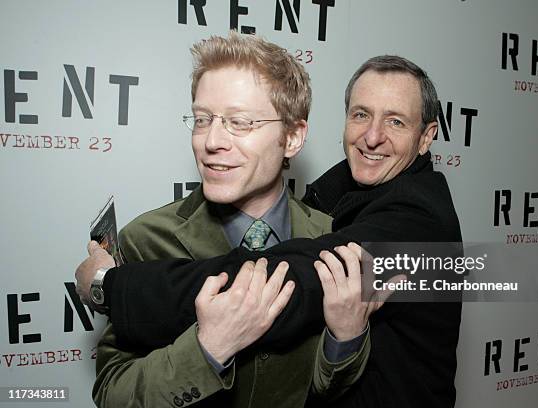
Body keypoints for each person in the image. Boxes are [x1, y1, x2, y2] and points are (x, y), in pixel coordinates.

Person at [77, 54, 463, 407]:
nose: (212, 141)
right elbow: (114, 393)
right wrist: (207, 350)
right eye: (202, 119)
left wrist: (344, 340)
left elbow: (323, 373)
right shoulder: (145, 238)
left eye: (241, 122)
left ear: (293, 137)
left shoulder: (356, 228)